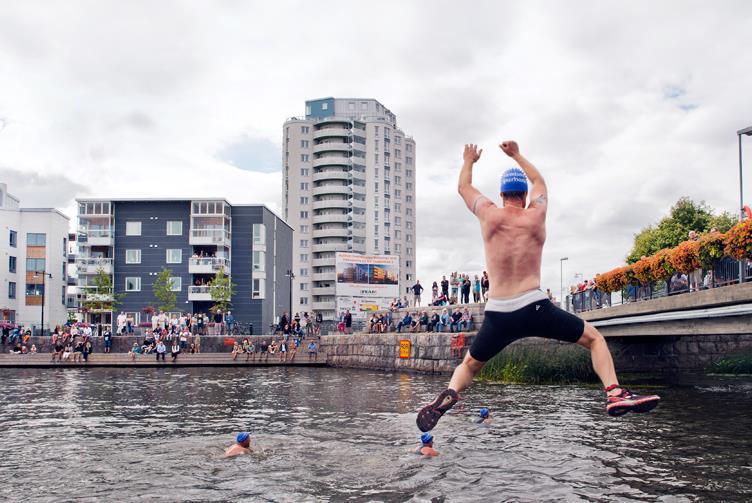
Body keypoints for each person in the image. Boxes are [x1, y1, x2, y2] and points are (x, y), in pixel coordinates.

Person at [416, 141, 659, 432]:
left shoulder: (489, 214)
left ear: (502, 194)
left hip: (498, 313)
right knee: (594, 339)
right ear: (523, 194)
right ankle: (615, 393)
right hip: (535, 306)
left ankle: (452, 393)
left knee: (469, 365)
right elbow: (539, 181)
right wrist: (516, 154)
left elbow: (464, 187)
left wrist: (468, 160)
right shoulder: (536, 215)